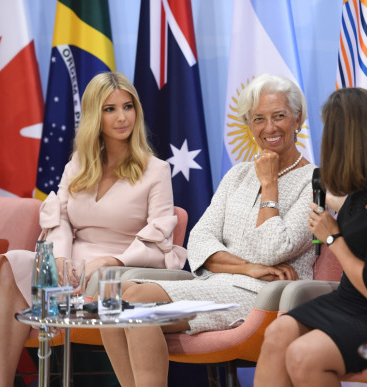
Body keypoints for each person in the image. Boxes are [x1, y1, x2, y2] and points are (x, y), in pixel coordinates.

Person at [100, 73, 317, 387]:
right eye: (258, 119)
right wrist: (249, 267)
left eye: (279, 116)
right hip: (216, 283)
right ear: (249, 124)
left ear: (298, 119)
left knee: (137, 307)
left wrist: (270, 185)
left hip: (266, 298)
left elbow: (275, 249)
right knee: (119, 299)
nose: (268, 128)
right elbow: (199, 241)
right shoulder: (237, 176)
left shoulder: (316, 182)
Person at [0, 71, 186, 386]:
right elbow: (59, 217)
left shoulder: (156, 171)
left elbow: (159, 237)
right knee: (14, 263)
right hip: (72, 260)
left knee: (1, 279)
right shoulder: (77, 164)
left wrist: (114, 261)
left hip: (118, 265)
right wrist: (60, 258)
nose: (122, 117)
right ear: (95, 116)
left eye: (128, 107)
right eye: (110, 109)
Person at [254, 87, 367, 387]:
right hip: (348, 302)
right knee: (277, 334)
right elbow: (361, 216)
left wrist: (332, 238)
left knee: (303, 356)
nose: (326, 143)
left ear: (352, 139)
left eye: (331, 132)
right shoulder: (363, 190)